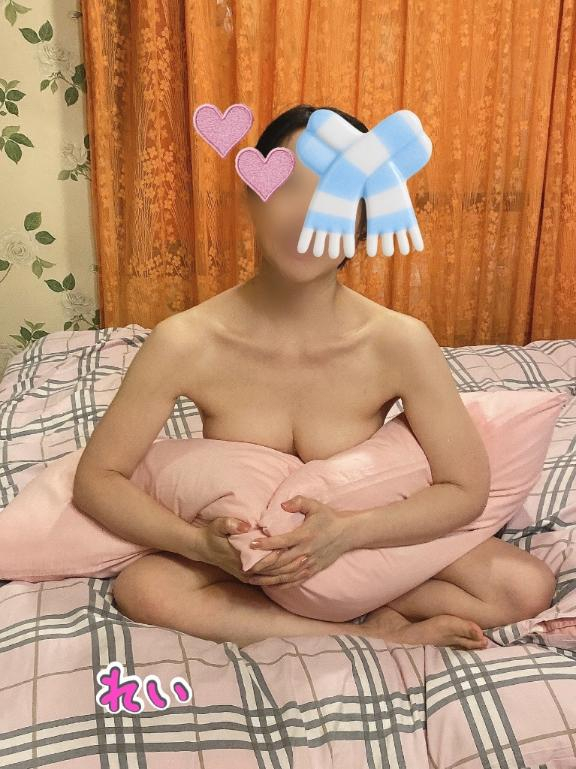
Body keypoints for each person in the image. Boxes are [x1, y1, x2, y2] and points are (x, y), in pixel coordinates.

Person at [74, 104, 556, 650]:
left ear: (364, 222)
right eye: (286, 187)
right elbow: (98, 479)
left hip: (363, 549)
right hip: (249, 566)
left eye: (336, 192)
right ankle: (374, 635)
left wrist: (348, 532)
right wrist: (198, 545)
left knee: (525, 585)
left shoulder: (399, 341)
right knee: (145, 588)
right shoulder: (185, 341)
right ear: (251, 199)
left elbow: (465, 489)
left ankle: (373, 607)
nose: (307, 215)